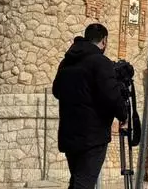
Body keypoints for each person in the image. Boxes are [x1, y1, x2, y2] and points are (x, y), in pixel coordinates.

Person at [53, 23, 128, 189]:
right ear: (104, 41)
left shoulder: (66, 63)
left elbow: (56, 91)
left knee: (77, 181)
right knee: (83, 184)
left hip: (69, 133)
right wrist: (124, 116)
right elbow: (112, 95)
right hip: (92, 136)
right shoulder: (101, 62)